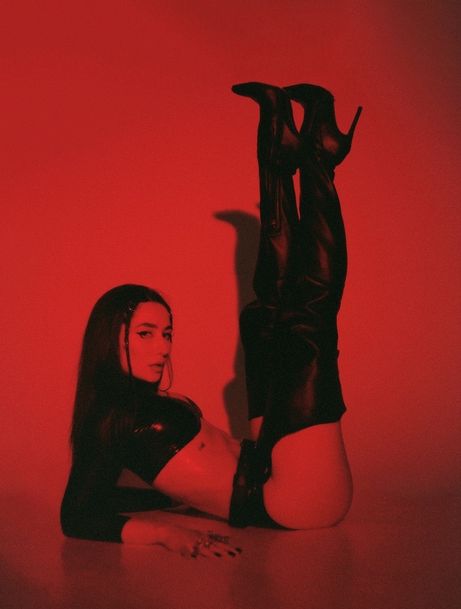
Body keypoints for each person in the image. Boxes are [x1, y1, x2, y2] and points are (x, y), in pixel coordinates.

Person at [61, 81, 362, 558]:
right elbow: (78, 514)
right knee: (308, 322)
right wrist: (164, 531)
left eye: (166, 333)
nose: (163, 347)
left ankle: (277, 147)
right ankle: (322, 158)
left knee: (264, 318)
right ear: (109, 338)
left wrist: (168, 501)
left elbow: (112, 495)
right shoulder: (109, 419)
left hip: (271, 459)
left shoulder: (138, 402)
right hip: (292, 499)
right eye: (145, 334)